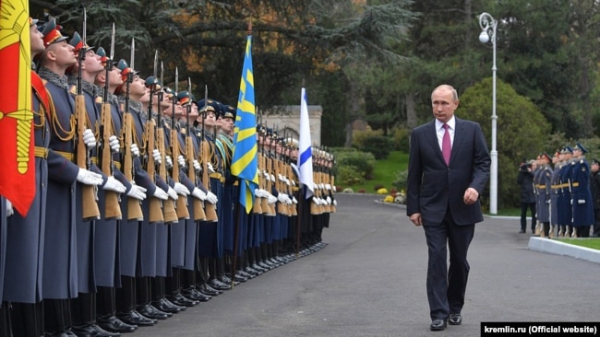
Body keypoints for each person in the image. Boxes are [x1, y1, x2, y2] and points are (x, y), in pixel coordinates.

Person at [406, 84, 490, 331]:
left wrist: (475, 187)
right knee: (436, 257)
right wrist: (413, 207)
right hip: (432, 208)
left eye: (444, 103)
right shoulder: (420, 134)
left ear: (456, 104)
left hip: (464, 208)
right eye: (435, 103)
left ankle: (455, 307)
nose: (439, 108)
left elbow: (483, 163)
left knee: (460, 260)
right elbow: (414, 173)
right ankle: (439, 313)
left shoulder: (472, 130)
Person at [517, 160, 536, 233]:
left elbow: (535, 176)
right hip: (524, 194)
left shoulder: (534, 172)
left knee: (534, 213)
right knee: (523, 213)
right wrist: (522, 171)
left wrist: (530, 171)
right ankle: (523, 228)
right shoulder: (523, 173)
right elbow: (519, 181)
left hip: (532, 194)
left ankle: (533, 228)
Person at [590, 159, 600, 237]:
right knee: (594, 216)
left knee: (598, 217)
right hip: (593, 199)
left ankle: (597, 232)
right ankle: (595, 231)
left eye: (593, 165)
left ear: (598, 166)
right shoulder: (592, 175)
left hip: (598, 200)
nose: (592, 166)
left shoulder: (598, 176)